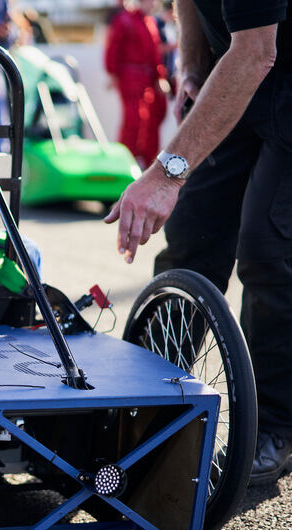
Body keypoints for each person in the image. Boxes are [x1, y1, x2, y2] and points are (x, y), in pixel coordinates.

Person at [105, 0, 292, 485]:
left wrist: (166, 175)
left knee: (267, 249)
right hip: (234, 73)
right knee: (190, 238)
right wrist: (193, 64)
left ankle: (273, 428)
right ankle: (148, 411)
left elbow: (256, 52)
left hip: (273, 72)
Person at [104, 0, 169, 168]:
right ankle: (124, 165)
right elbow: (113, 47)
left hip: (146, 80)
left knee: (150, 122)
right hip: (131, 79)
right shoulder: (125, 19)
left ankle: (148, 165)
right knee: (134, 122)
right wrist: (112, 72)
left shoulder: (148, 21)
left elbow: (154, 52)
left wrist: (159, 77)